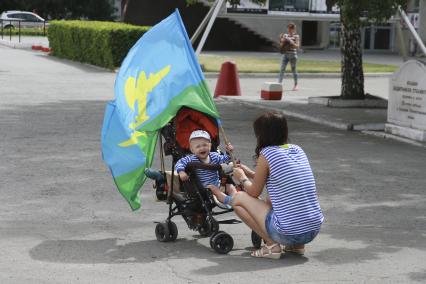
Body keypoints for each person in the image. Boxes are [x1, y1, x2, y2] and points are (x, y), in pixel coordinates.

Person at [208, 112, 324, 259]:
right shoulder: (297, 149)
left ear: (261, 135)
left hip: (287, 232)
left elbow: (254, 192)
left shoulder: (267, 153)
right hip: (312, 230)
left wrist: (242, 178)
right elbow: (274, 177)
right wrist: (247, 172)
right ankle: (297, 246)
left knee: (238, 199)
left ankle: (271, 245)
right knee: (271, 200)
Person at [175, 130, 236, 205]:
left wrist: (228, 152)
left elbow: (225, 160)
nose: (202, 148)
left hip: (218, 183)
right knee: (213, 188)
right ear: (192, 150)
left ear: (210, 146)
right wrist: (181, 172)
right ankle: (230, 201)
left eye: (205, 145)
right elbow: (180, 162)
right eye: (198, 146)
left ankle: (236, 198)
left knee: (230, 185)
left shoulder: (214, 155)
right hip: (205, 188)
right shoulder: (191, 158)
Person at [278, 22, 300, 91]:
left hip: (293, 55)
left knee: (294, 70)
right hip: (285, 54)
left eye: (291, 28)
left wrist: (291, 42)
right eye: (288, 28)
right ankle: (279, 84)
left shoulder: (296, 36)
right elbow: (281, 45)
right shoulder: (285, 35)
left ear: (294, 29)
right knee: (282, 69)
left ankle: (296, 85)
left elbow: (297, 46)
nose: (289, 30)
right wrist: (282, 40)